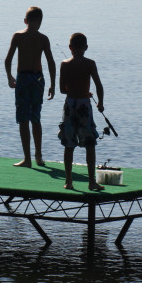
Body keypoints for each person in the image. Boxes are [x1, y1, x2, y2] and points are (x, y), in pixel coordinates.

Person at [4, 6, 56, 167]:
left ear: (25, 21)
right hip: (38, 78)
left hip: (24, 78)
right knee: (35, 118)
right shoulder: (43, 39)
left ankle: (28, 159)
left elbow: (8, 60)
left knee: (23, 119)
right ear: (40, 22)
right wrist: (53, 84)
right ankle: (38, 156)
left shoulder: (18, 36)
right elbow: (51, 63)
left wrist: (9, 77)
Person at [58, 32, 105, 191]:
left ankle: (69, 181)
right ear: (86, 47)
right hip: (85, 106)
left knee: (69, 144)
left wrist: (77, 89)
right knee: (90, 143)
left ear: (70, 47)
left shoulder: (64, 64)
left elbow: (62, 90)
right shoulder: (90, 64)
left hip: (71, 104)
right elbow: (99, 85)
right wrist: (100, 103)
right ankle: (91, 181)